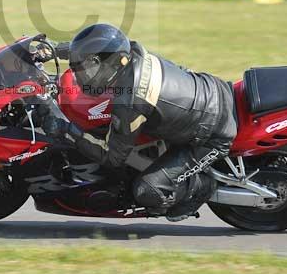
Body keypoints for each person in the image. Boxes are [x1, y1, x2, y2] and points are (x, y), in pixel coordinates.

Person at [39, 24, 237, 221]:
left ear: (111, 65)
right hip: (210, 91)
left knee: (147, 190)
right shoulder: (132, 52)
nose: (83, 76)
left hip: (212, 134)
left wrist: (67, 130)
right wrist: (56, 49)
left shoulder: (130, 102)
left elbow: (112, 157)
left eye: (90, 69)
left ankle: (202, 186)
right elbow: (104, 47)